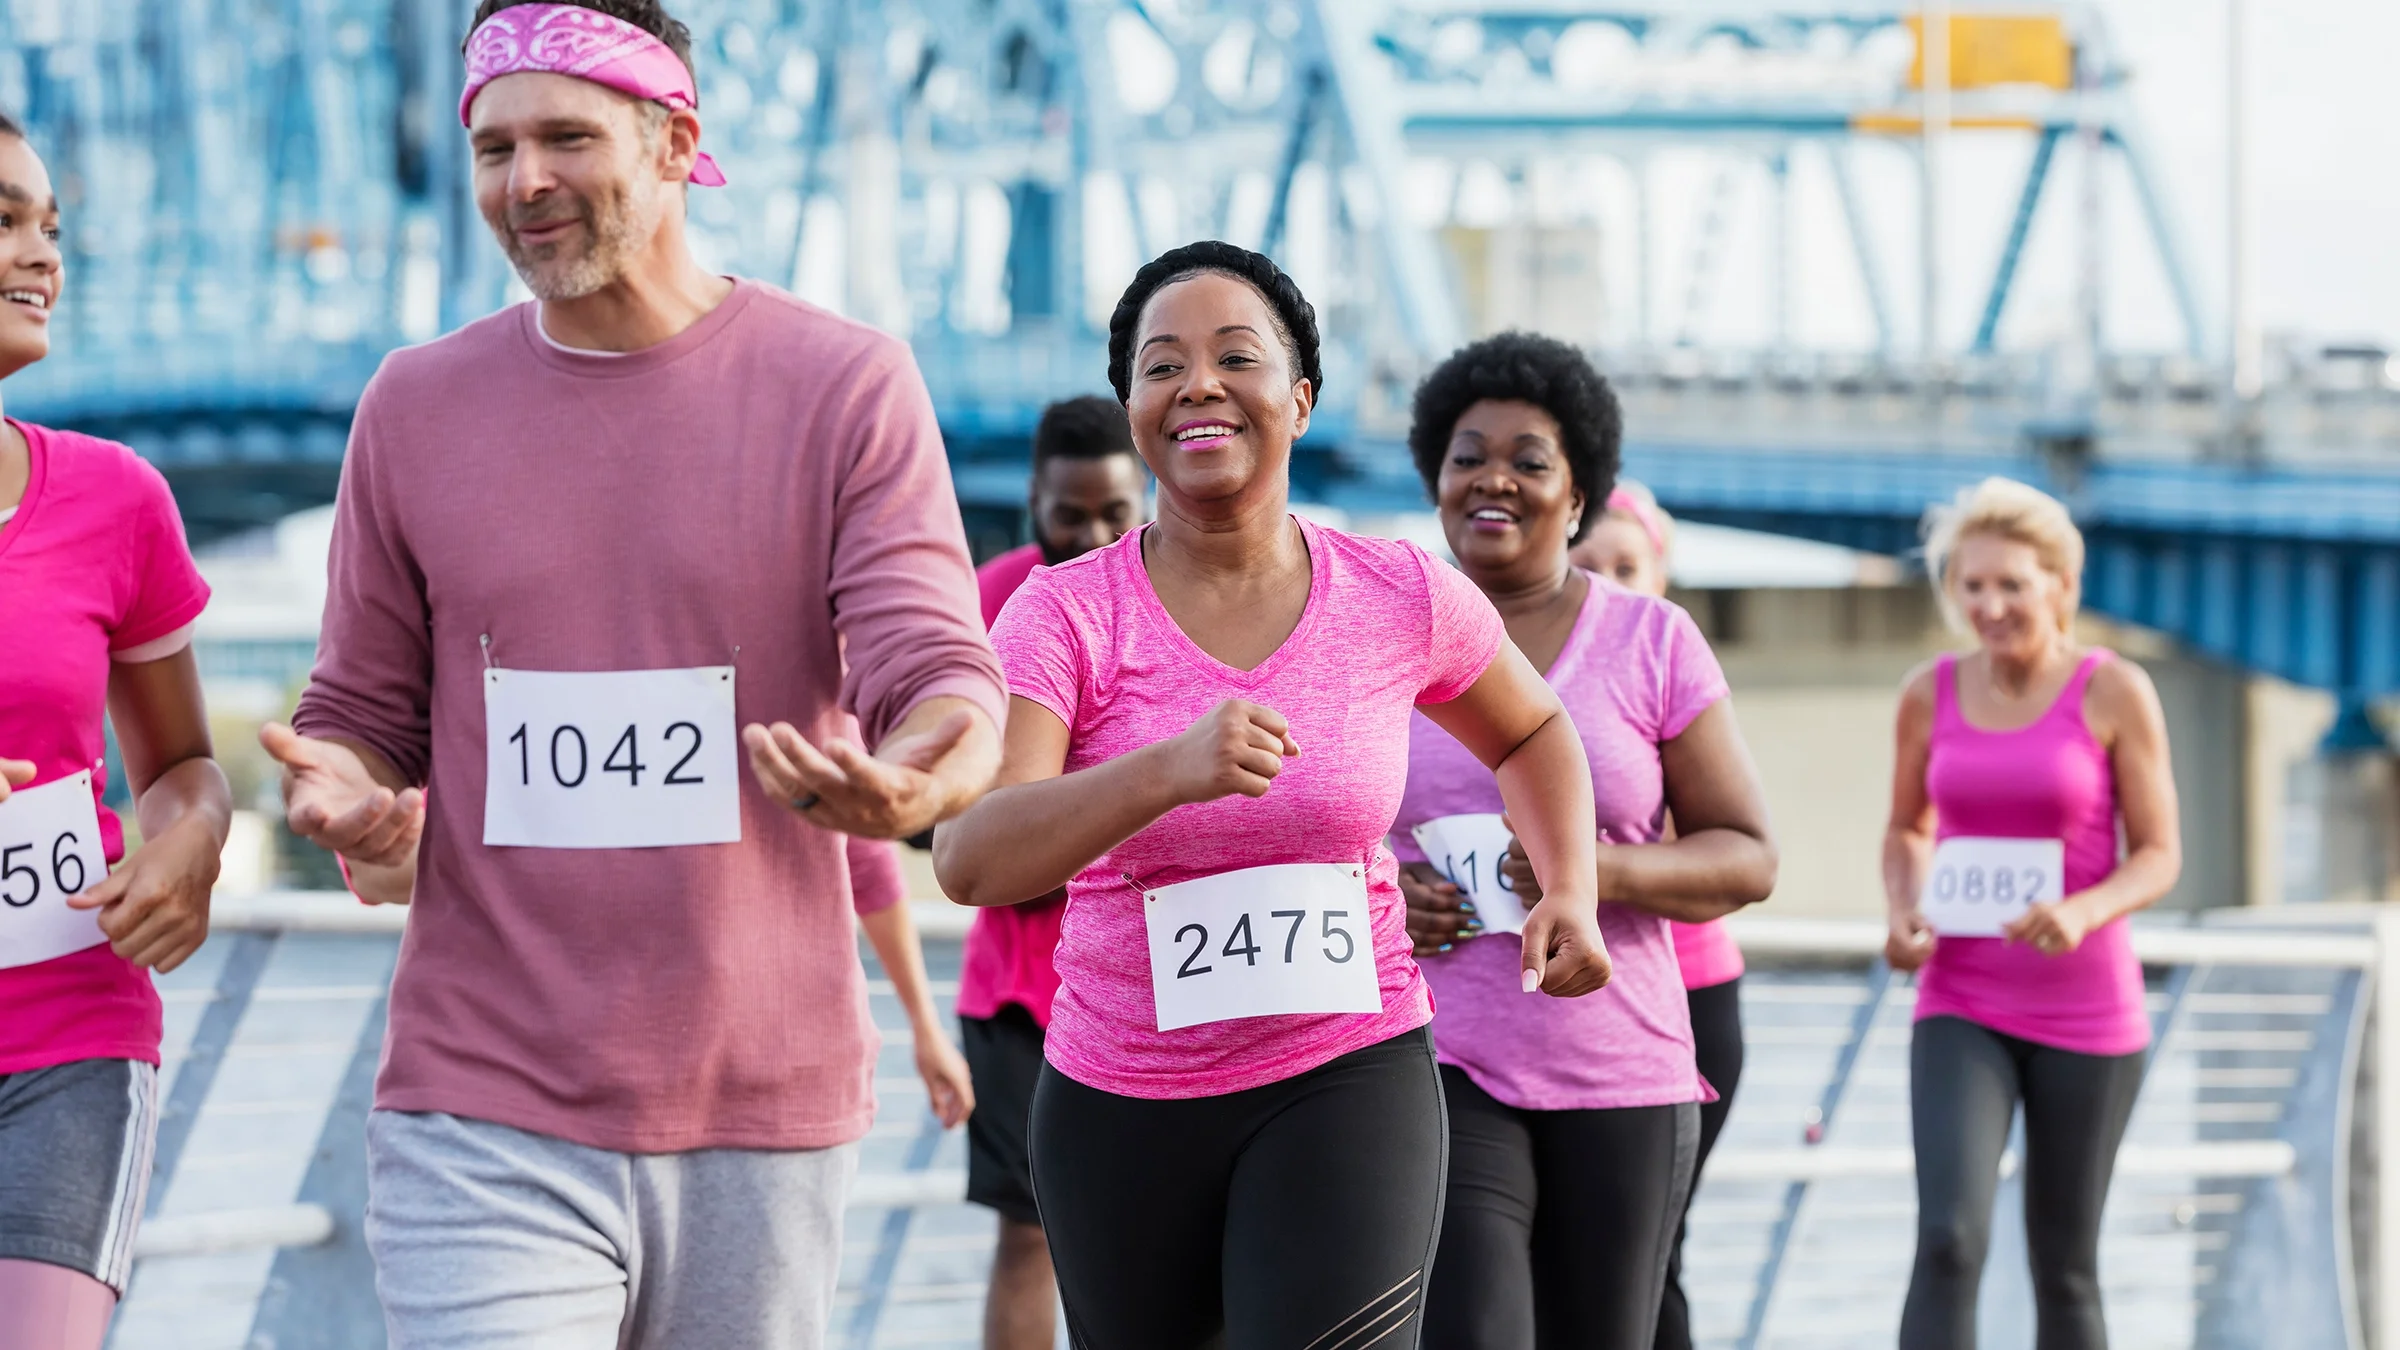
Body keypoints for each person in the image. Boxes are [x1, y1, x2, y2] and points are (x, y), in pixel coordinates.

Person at [261, 3, 1006, 1345]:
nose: (519, 182)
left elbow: (937, 670)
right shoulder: (411, 406)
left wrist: (910, 783)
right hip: (478, 1092)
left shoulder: (846, 386)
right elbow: (363, 714)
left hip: (761, 1102)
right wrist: (342, 784)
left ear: (676, 145)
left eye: (565, 137)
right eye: (492, 148)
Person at [932, 242, 1614, 1349]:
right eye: (1161, 367)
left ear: (1298, 400)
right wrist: (1164, 772)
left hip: (1347, 1072)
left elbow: (1535, 729)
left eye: (1235, 357)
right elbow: (971, 856)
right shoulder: (1063, 616)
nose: (1197, 384)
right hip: (1121, 1102)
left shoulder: (1397, 593)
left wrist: (1570, 890)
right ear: (1135, 412)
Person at [1392, 334, 1776, 1350]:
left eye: (1530, 459)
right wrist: (1381, 892)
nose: (1494, 479)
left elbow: (1746, 854)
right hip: (1441, 1054)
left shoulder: (1652, 642)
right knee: (1473, 1331)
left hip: (1620, 1067)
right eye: (1469, 454)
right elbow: (1304, 826)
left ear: (1580, 493)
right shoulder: (1383, 640)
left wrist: (1590, 871)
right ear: (1436, 476)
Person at [0, 113, 230, 1347]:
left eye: (50, 225)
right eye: (2, 219)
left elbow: (184, 768)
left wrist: (186, 848)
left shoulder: (115, 501)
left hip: (68, 1044)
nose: (42, 254)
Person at [1883, 477, 2180, 1350]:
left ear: (2058, 582)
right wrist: (1904, 906)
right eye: (1972, 586)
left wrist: (2086, 911)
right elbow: (1907, 826)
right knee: (1949, 1239)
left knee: (2065, 1262)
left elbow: (2160, 852)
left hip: (2088, 1014)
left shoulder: (2113, 690)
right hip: (1960, 999)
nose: (1990, 605)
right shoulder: (1925, 692)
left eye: (2012, 584)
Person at [957, 393, 1148, 1350]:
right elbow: (961, 824)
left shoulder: (1172, 593)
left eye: (1114, 513)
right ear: (1033, 498)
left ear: (1144, 494)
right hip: (1020, 993)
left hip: (1161, 983)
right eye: (1070, 514)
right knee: (1030, 1239)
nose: (1091, 534)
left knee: (1165, 1244)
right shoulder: (993, 598)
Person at [1570, 479, 1751, 1350]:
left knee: (1653, 1257)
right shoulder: (1517, 679)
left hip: (1687, 993)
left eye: (1627, 566)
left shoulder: (1670, 671)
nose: (1608, 583)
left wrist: (1597, 857)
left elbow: (1733, 847)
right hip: (1547, 1010)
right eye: (1589, 564)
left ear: (1663, 575)